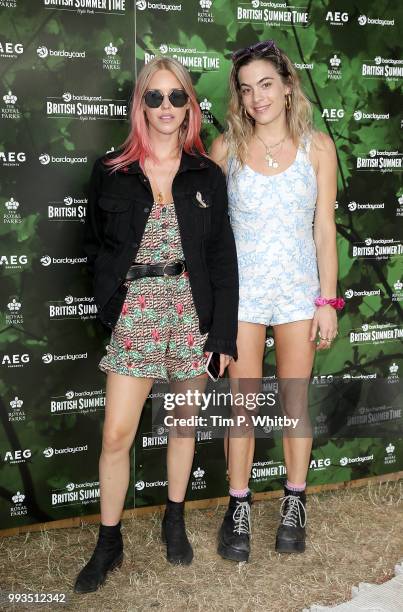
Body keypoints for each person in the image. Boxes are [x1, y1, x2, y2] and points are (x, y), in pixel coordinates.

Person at [75, 55, 239, 593]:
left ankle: (174, 518)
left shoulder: (206, 175)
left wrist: (222, 336)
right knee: (117, 433)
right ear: (139, 104)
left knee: (183, 425)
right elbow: (96, 244)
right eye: (154, 97)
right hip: (136, 312)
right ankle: (109, 540)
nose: (165, 107)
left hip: (192, 312)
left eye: (176, 97)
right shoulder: (112, 170)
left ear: (189, 104)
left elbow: (221, 257)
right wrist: (111, 305)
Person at [210, 39, 343, 561]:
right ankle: (237, 505)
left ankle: (294, 501)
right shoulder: (225, 151)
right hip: (241, 298)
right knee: (241, 404)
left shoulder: (318, 148)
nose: (257, 97)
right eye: (246, 89)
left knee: (293, 402)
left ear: (288, 85)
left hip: (296, 293)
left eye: (266, 84)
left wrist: (326, 302)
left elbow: (326, 230)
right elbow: (211, 234)